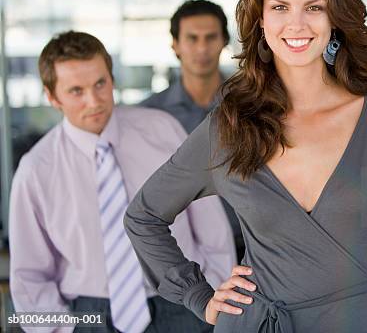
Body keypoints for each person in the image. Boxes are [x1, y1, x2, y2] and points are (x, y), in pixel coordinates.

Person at [125, 0, 367, 333]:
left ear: (335, 17)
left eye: (314, 7)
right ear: (260, 21)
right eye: (280, 7)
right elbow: (144, 216)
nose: (297, 24)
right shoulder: (229, 126)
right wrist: (200, 298)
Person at [9, 31, 235, 333]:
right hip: (90, 315)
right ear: (52, 97)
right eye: (76, 90)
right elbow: (30, 275)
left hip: (184, 303)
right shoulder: (36, 169)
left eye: (100, 84)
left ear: (112, 79)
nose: (94, 101)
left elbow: (211, 224)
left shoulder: (161, 129)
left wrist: (212, 296)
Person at [141, 0, 244, 261]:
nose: (202, 48)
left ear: (223, 42)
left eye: (210, 38)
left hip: (249, 244)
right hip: (180, 250)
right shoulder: (148, 115)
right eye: (192, 38)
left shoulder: (251, 103)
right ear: (175, 45)